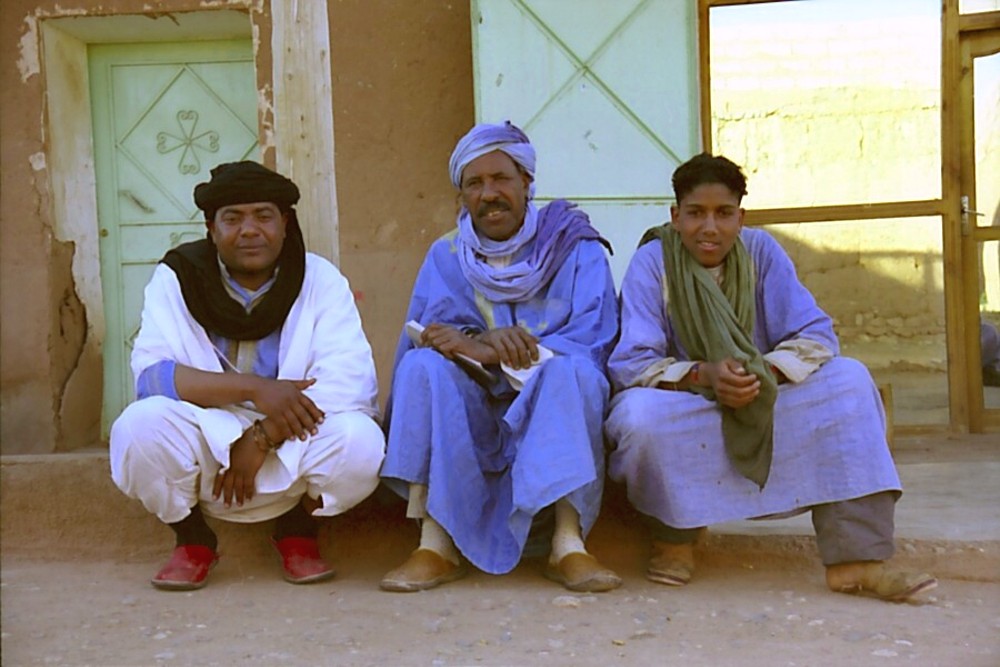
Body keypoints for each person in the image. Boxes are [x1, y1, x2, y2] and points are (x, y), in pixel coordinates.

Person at [604, 153, 937, 602]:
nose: (710, 228)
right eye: (696, 213)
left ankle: (855, 560)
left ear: (741, 217)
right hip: (689, 399)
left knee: (850, 382)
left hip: (763, 389)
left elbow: (816, 336)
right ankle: (675, 539)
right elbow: (631, 363)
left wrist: (761, 374)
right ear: (675, 216)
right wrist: (705, 374)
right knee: (640, 419)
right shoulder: (652, 261)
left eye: (723, 214)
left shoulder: (761, 252)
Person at [110, 161, 385, 590]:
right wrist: (257, 389)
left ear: (285, 222)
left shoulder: (319, 279)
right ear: (211, 228)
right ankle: (193, 539)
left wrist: (263, 436)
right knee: (138, 429)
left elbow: (348, 381)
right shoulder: (177, 278)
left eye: (263, 215)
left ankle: (298, 531)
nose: (250, 230)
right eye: (232, 218)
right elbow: (153, 378)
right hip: (207, 428)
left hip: (290, 431)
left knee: (360, 442)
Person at [378, 121, 622, 593]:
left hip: (552, 399)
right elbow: (430, 332)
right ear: (462, 194)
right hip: (475, 404)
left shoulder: (576, 247)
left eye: (500, 179)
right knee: (421, 366)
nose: (489, 193)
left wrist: (507, 351)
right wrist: (475, 346)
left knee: (573, 372)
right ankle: (436, 542)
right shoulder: (447, 254)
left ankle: (569, 543)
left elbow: (596, 336)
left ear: (526, 182)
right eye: (474, 183)